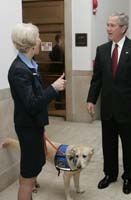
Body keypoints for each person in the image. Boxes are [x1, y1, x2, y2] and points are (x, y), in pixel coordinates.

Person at [87, 12, 131, 194]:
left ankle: (129, 177)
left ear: (123, 28)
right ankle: (110, 174)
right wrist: (91, 99)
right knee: (108, 144)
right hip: (108, 109)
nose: (108, 28)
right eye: (107, 25)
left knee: (129, 146)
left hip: (129, 109)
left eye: (112, 25)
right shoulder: (101, 50)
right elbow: (97, 79)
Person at [8, 23, 66, 200]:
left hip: (34, 126)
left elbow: (35, 96)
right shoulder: (19, 69)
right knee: (28, 177)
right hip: (27, 128)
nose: (41, 40)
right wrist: (54, 88)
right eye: (38, 37)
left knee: (33, 170)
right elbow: (32, 104)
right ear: (32, 43)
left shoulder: (30, 65)